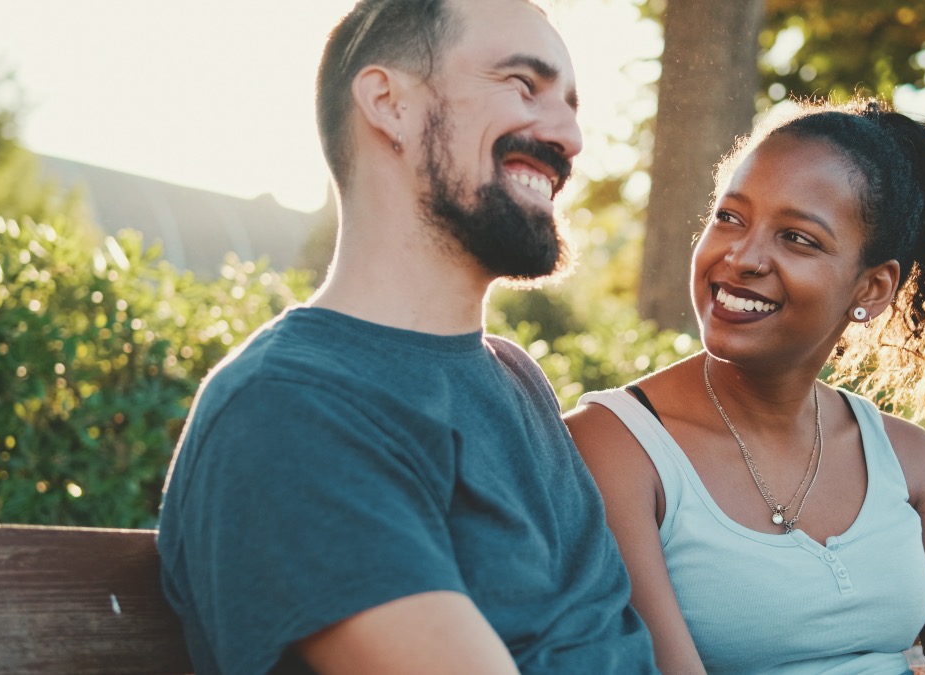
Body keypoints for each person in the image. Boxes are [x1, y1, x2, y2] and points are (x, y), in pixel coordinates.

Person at [156, 1, 658, 673]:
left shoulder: (514, 380)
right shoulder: (289, 407)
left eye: (570, 103)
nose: (570, 136)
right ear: (389, 103)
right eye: (522, 84)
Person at [566, 97, 925, 674]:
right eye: (730, 217)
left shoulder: (906, 458)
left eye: (798, 238)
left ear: (872, 288)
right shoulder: (617, 447)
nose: (742, 257)